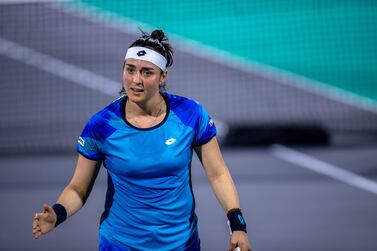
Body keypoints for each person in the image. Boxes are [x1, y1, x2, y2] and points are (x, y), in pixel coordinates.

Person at [32, 29, 251, 251]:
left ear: (163, 76)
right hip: (120, 244)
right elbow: (78, 188)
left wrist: (238, 225)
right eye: (130, 70)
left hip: (181, 244)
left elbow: (218, 174)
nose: (136, 80)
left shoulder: (190, 114)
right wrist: (57, 214)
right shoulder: (101, 125)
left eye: (147, 72)